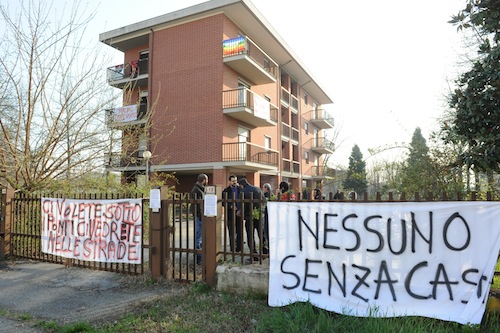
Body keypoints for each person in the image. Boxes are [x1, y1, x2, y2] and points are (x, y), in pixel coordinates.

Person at [238, 178, 266, 259]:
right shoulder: (257, 189)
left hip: (249, 217)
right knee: (262, 235)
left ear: (241, 185)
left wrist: (242, 214)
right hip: (259, 215)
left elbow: (243, 206)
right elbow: (264, 201)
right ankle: (265, 251)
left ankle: (254, 254)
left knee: (250, 236)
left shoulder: (243, 192)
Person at [190, 173, 208, 265]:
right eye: (206, 179)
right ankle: (199, 259)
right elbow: (197, 205)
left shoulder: (201, 189)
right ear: (203, 180)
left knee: (200, 236)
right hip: (199, 216)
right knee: (198, 237)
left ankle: (201, 257)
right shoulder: (196, 190)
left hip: (201, 216)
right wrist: (201, 216)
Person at [222, 174, 242, 252]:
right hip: (230, 214)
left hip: (239, 213)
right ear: (229, 181)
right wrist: (230, 206)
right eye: (233, 181)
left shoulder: (240, 189)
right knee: (231, 232)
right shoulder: (226, 191)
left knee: (239, 231)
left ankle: (239, 248)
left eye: (236, 181)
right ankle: (233, 248)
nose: (235, 182)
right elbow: (223, 202)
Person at [261, 183, 272, 254]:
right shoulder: (272, 195)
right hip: (270, 215)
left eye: (263, 188)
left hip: (266, 215)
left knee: (266, 231)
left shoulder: (265, 196)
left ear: (266, 188)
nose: (262, 189)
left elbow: (263, 206)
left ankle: (267, 248)